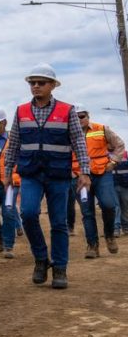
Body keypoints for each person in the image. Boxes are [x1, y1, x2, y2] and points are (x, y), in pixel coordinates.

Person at [3, 64, 90, 290]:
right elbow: (14, 143)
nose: (36, 86)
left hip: (58, 174)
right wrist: (7, 172)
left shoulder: (67, 111)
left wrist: (84, 172)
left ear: (52, 85)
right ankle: (41, 259)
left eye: (41, 82)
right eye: (32, 83)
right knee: (28, 214)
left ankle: (60, 268)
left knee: (59, 222)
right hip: (30, 173)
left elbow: (79, 142)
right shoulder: (21, 111)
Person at [70, 105, 124, 257]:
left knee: (109, 205)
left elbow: (119, 145)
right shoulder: (68, 134)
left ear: (88, 116)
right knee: (87, 212)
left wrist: (113, 162)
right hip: (79, 176)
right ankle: (92, 246)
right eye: (76, 117)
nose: (79, 119)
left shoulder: (102, 129)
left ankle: (109, 235)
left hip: (102, 174)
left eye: (82, 116)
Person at [0, 109, 21, 258]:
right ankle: (0, 236)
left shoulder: (14, 140)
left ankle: (8, 246)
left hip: (10, 185)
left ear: (5, 123)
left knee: (8, 212)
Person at [113, 152, 128, 238]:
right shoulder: (108, 155)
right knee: (116, 207)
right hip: (113, 186)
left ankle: (125, 227)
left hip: (125, 186)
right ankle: (116, 228)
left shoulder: (125, 154)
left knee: (125, 206)